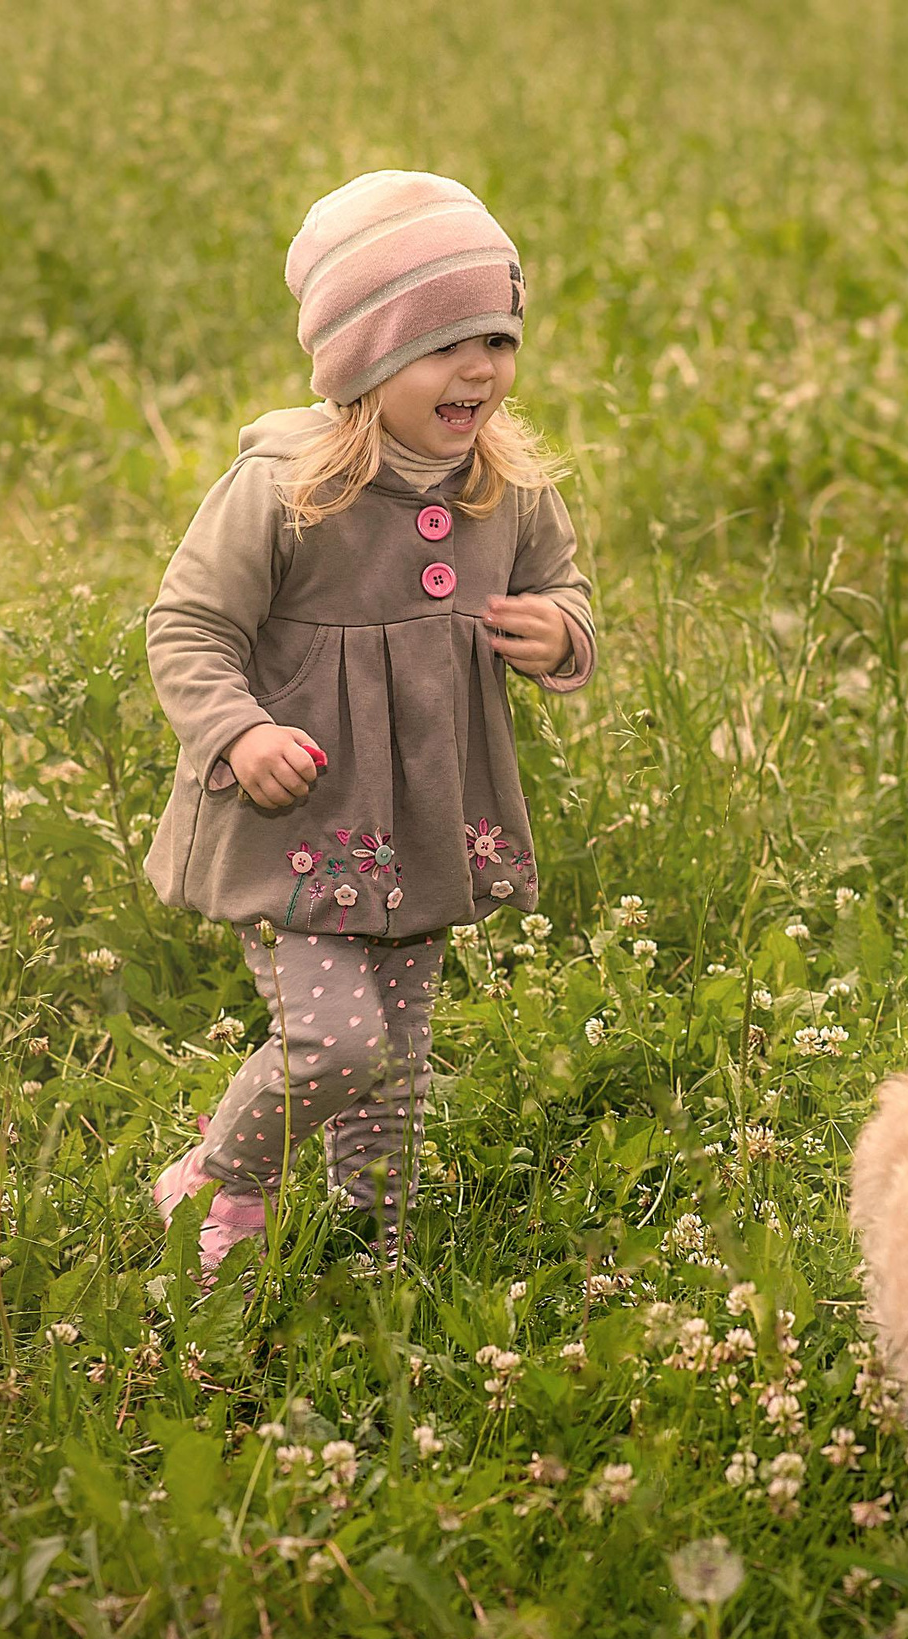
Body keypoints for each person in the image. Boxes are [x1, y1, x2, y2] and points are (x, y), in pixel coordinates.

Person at [140, 170, 593, 1273]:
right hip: (297, 819)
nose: (479, 367)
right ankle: (220, 1175)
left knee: (394, 1056)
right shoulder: (287, 486)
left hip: (425, 814)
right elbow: (186, 626)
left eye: (497, 334)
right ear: (364, 359)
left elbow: (565, 584)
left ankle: (372, 1252)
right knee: (334, 1042)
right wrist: (240, 732)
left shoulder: (508, 483)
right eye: (442, 342)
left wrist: (560, 633)